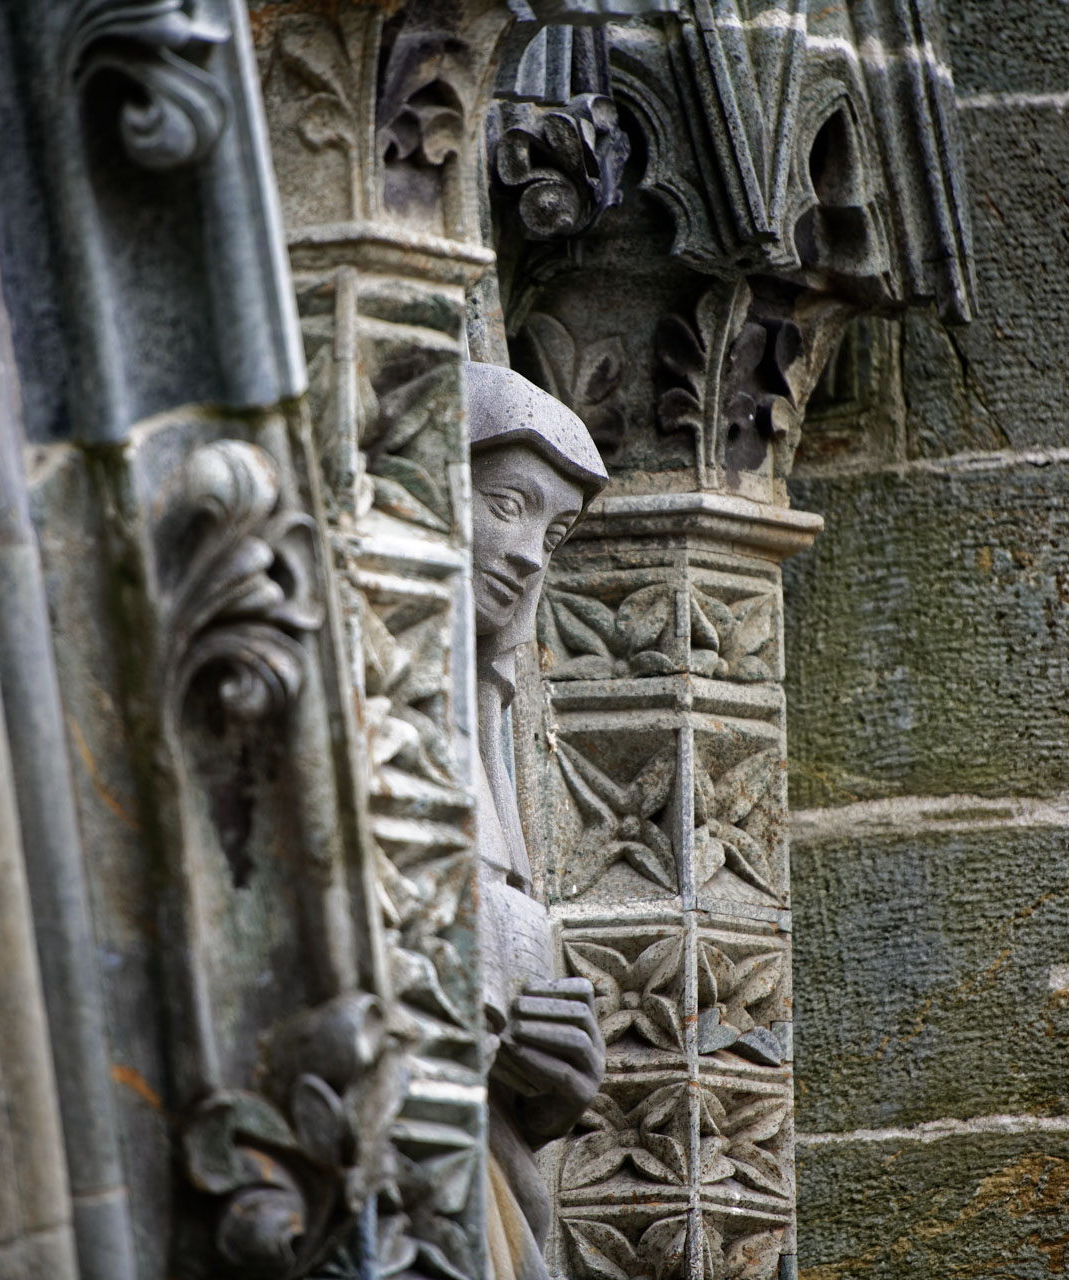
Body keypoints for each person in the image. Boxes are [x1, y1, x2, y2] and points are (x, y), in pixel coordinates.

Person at [463, 361, 608, 1280]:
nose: (529, 556)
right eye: (507, 503)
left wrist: (555, 1086)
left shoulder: (477, 752)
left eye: (552, 532)